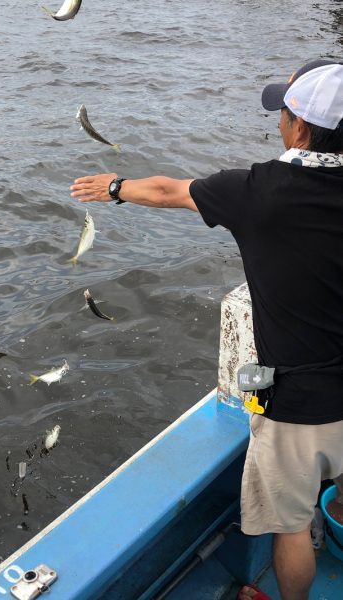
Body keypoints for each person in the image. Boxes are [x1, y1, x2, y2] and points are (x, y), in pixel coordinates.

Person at [70, 59, 343, 600]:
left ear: (302, 128)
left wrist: (116, 186)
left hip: (300, 405)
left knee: (290, 528)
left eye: (284, 113)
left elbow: (170, 191)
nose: (280, 123)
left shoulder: (257, 191)